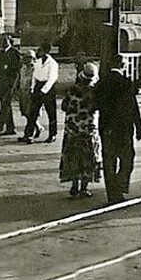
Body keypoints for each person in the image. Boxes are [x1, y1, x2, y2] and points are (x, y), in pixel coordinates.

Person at [93, 54, 141, 204]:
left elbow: (95, 104)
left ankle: (112, 194)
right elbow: (133, 106)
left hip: (106, 126)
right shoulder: (126, 83)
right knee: (127, 158)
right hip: (124, 127)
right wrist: (139, 125)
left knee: (109, 161)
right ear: (123, 65)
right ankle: (120, 186)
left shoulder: (101, 83)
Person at [59, 62, 101, 198]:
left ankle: (74, 185)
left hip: (72, 128)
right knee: (88, 158)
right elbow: (97, 107)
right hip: (88, 129)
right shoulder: (94, 92)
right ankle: (84, 188)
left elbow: (64, 106)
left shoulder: (72, 89)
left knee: (73, 156)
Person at [19, 42, 59, 144]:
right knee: (32, 113)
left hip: (48, 89)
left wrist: (43, 90)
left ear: (45, 51)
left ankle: (52, 134)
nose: (37, 52)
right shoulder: (38, 61)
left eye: (40, 50)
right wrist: (33, 89)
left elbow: (52, 79)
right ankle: (29, 135)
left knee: (51, 113)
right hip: (38, 86)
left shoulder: (52, 63)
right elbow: (34, 76)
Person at [0, 36, 21, 137]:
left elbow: (16, 72)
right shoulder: (1, 53)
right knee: (6, 106)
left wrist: (13, 86)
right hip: (1, 85)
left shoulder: (14, 53)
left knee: (5, 107)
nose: (4, 42)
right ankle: (10, 128)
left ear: (10, 41)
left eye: (6, 40)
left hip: (10, 86)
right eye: (3, 40)